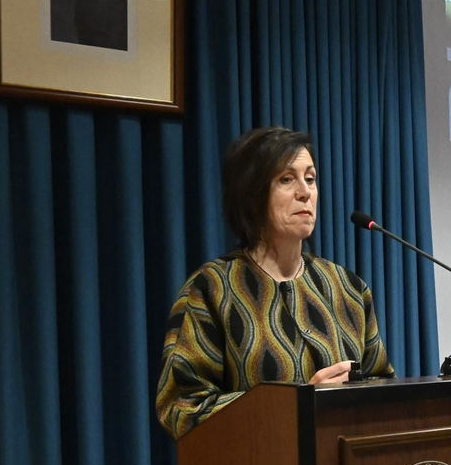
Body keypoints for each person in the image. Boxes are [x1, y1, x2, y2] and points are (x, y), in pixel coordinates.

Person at [156, 127, 392, 438]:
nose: (305, 192)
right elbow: (181, 407)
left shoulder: (348, 288)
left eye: (310, 178)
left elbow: (384, 385)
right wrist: (296, 406)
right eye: (286, 179)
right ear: (253, 195)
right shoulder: (211, 290)